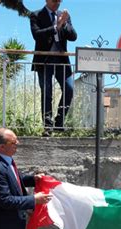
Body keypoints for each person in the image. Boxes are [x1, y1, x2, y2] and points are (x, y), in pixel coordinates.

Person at [30, 0, 77, 134]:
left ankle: (59, 121)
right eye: (54, 0)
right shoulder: (36, 15)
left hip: (62, 60)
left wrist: (64, 23)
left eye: (59, 0)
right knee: (47, 92)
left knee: (69, 89)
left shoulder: (64, 16)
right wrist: (56, 26)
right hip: (44, 60)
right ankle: (48, 126)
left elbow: (73, 37)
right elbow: (37, 35)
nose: (57, 3)